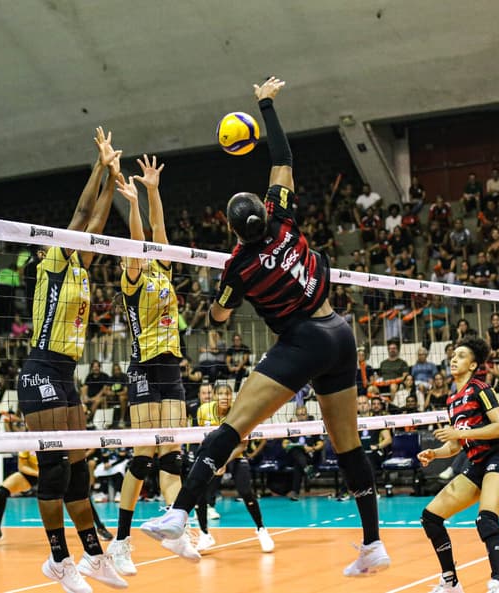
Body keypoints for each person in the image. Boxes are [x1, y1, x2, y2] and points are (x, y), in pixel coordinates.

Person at [141, 77, 390, 577]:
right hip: (338, 332)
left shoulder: (237, 267)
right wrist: (266, 105)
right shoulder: (282, 219)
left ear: (232, 229)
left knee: (233, 424)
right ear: (263, 208)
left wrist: (212, 304)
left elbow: (218, 316)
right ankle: (372, 545)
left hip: (302, 341)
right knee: (349, 446)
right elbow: (283, 157)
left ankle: (178, 513)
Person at [15, 127, 126, 593]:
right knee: (55, 469)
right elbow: (81, 215)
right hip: (39, 369)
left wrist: (112, 178)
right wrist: (99, 166)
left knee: (79, 471)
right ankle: (59, 562)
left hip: (64, 373)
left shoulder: (78, 264)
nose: (72, 238)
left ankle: (95, 558)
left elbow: (95, 225)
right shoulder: (53, 262)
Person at [109, 153, 201, 574]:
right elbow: (138, 240)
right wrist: (132, 205)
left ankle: (175, 529)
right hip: (144, 368)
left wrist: (152, 190)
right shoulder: (133, 278)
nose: (146, 250)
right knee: (143, 456)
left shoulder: (162, 268)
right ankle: (121, 543)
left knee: (172, 455)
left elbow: (158, 232)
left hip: (171, 368)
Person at [416, 336, 499, 593]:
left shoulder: (480, 389)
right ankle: (450, 581)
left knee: (486, 519)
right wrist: (436, 454)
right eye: (453, 355)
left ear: (473, 365)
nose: (454, 358)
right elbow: (456, 444)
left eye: (461, 355)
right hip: (476, 463)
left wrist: (459, 434)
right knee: (431, 517)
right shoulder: (452, 401)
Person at [192, 383, 274, 552]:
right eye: (220, 394)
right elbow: (201, 437)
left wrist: (224, 462)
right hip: (212, 454)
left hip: (234, 454)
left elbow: (242, 446)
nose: (224, 397)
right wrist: (210, 459)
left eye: (227, 394)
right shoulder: (203, 410)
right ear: (214, 396)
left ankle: (261, 529)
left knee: (246, 491)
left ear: (232, 397)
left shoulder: (239, 412)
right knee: (198, 489)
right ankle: (204, 534)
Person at [0, 448, 39, 547]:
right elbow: (22, 466)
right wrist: (39, 474)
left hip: (54, 471)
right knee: (0, 493)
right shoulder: (27, 441)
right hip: (33, 474)